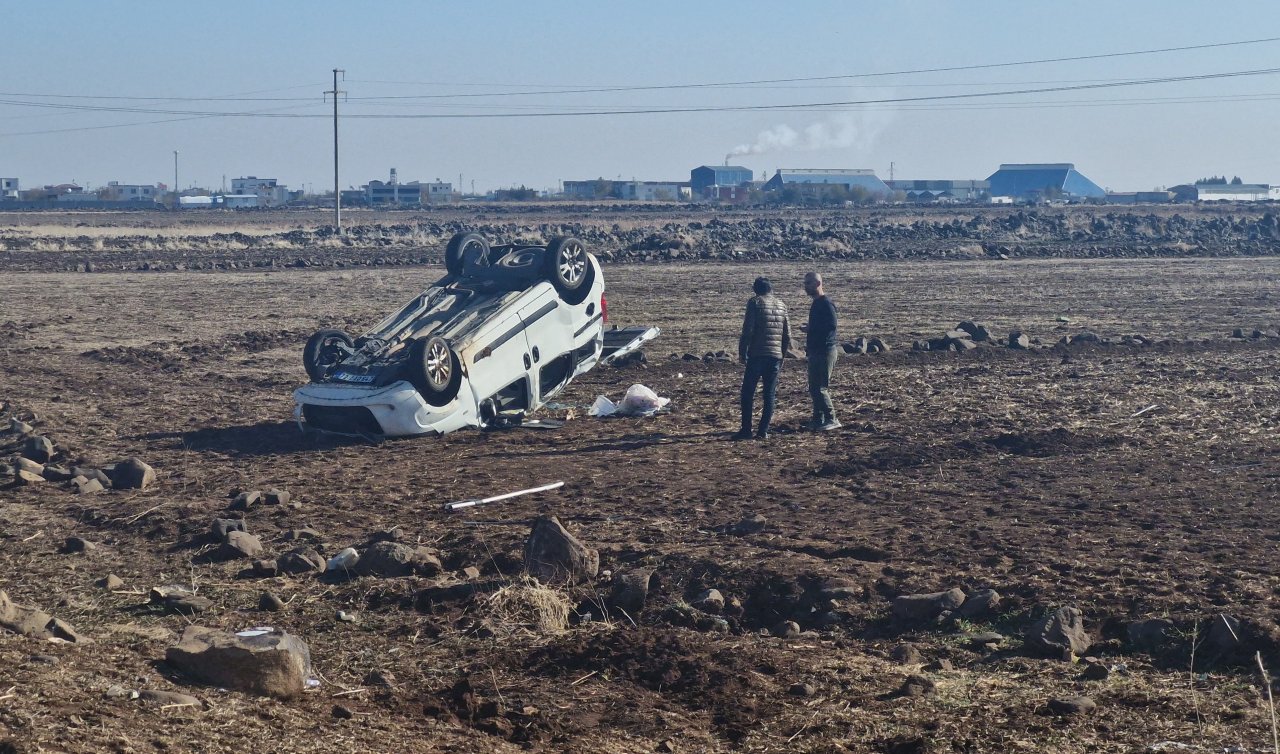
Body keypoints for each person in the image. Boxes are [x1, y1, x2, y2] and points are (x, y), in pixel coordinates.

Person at [735, 276, 794, 440]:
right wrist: (782, 356)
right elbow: (787, 335)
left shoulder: (755, 302)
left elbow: (748, 330)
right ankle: (763, 431)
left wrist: (742, 352)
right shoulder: (782, 305)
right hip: (775, 356)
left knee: (747, 392)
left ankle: (746, 430)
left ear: (756, 289)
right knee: (769, 394)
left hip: (757, 355)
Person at [803, 271, 840, 431]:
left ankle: (831, 418)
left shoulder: (826, 303)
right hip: (816, 350)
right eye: (805, 283)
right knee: (814, 388)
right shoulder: (817, 303)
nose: (806, 287)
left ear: (818, 283)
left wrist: (812, 329)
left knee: (820, 387)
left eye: (809, 283)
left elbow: (832, 325)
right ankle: (818, 419)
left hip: (825, 350)